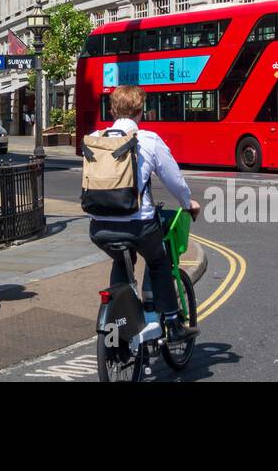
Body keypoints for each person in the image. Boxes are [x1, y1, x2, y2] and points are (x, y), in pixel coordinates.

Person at [87, 85, 201, 357]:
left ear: (113, 110)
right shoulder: (148, 140)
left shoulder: (94, 138)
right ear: (141, 111)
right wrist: (189, 203)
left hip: (99, 227)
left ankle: (118, 325)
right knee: (159, 261)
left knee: (119, 260)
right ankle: (173, 323)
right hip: (139, 224)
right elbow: (174, 180)